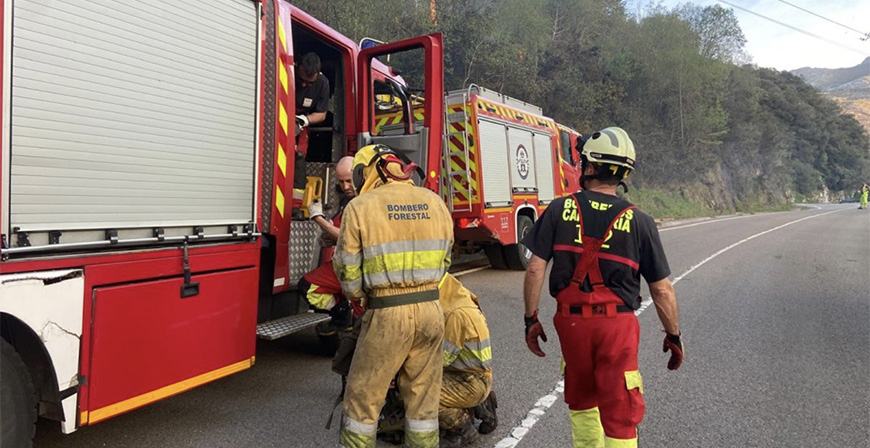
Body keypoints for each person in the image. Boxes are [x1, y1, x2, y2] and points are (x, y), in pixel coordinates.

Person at [521, 127, 683, 448]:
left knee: (582, 402)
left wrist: (531, 318)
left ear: (592, 167)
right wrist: (673, 335)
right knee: (620, 411)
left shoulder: (557, 209)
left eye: (583, 163)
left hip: (571, 323)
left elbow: (536, 267)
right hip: (616, 326)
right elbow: (662, 290)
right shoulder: (639, 221)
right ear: (622, 173)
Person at [334, 144, 453, 448]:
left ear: (365, 172)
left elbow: (347, 268)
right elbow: (446, 261)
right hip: (430, 311)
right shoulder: (434, 201)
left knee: (363, 401)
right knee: (423, 404)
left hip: (386, 314)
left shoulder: (360, 207)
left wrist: (359, 296)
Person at [298, 156, 358, 333]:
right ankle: (346, 315)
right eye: (341, 182)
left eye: (349, 181)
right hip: (347, 264)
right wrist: (329, 236)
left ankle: (343, 316)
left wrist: (318, 218)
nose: (345, 187)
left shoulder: (362, 201)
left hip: (354, 266)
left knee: (308, 286)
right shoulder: (350, 199)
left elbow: (348, 237)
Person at [438, 274, 498, 448]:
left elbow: (439, 360)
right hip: (473, 373)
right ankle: (483, 406)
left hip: (469, 381)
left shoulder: (455, 315)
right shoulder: (459, 295)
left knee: (420, 392)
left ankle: (463, 429)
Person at [293, 52, 331, 218]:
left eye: (309, 82)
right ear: (298, 66)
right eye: (302, 81)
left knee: (299, 157)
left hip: (302, 121)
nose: (304, 85)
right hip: (279, 115)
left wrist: (303, 121)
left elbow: (321, 114)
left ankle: (295, 207)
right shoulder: (287, 71)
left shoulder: (323, 83)